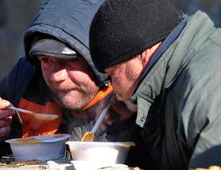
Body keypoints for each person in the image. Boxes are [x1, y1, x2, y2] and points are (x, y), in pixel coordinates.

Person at [0, 0, 120, 159]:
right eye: (46, 60)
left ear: (97, 57)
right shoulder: (28, 78)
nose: (56, 76)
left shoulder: (127, 88)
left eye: (69, 61)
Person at [89, 0, 221, 169]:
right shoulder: (170, 80)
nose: (113, 87)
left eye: (113, 74)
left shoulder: (205, 91)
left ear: (142, 54)